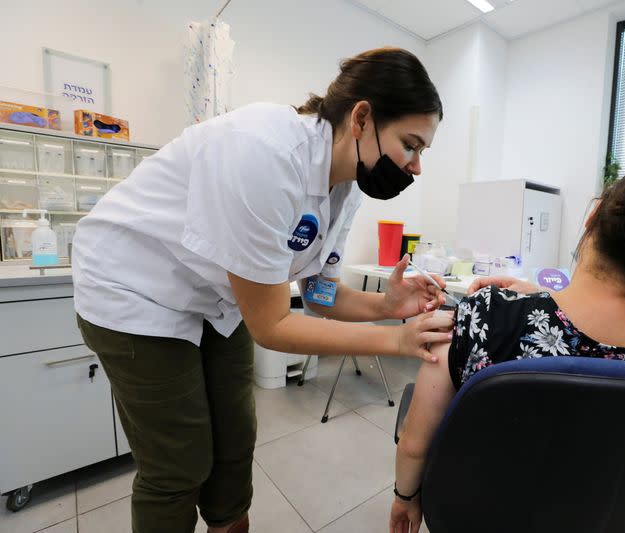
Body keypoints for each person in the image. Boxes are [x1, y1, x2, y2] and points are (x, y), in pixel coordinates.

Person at [71, 47, 453, 533]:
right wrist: (395, 338)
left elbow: (316, 295)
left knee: (235, 445)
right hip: (133, 286)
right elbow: (272, 324)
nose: (416, 167)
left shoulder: (347, 183)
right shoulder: (265, 153)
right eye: (411, 144)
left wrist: (386, 304)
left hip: (215, 297)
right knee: (179, 463)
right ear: (362, 118)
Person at [389, 160, 625, 533]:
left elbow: (414, 446)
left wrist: (405, 498)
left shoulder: (485, 318)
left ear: (593, 215)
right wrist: (541, 295)